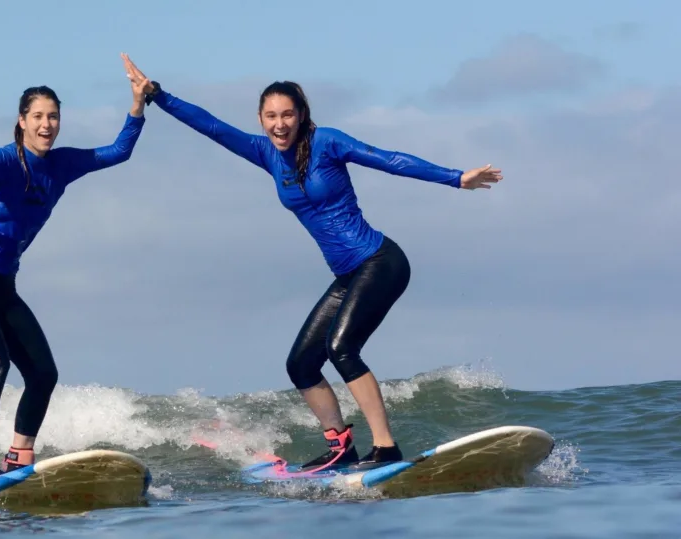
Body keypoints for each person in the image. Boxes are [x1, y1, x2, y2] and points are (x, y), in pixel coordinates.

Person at [120, 53, 502, 471]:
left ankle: (386, 447)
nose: (279, 124)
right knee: (300, 364)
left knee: (342, 349)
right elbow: (210, 125)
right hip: (348, 274)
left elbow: (388, 159)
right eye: (270, 116)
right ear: (261, 119)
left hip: (380, 261)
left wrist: (455, 177)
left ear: (301, 115)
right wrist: (155, 95)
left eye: (287, 114)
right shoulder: (265, 154)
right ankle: (341, 447)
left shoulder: (328, 142)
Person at [0, 66, 152, 479]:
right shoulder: (5, 160)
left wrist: (137, 106)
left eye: (52, 116)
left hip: (3, 285)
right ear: (22, 121)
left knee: (43, 374)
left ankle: (19, 457)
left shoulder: (63, 164)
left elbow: (118, 151)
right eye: (38, 116)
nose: (46, 124)